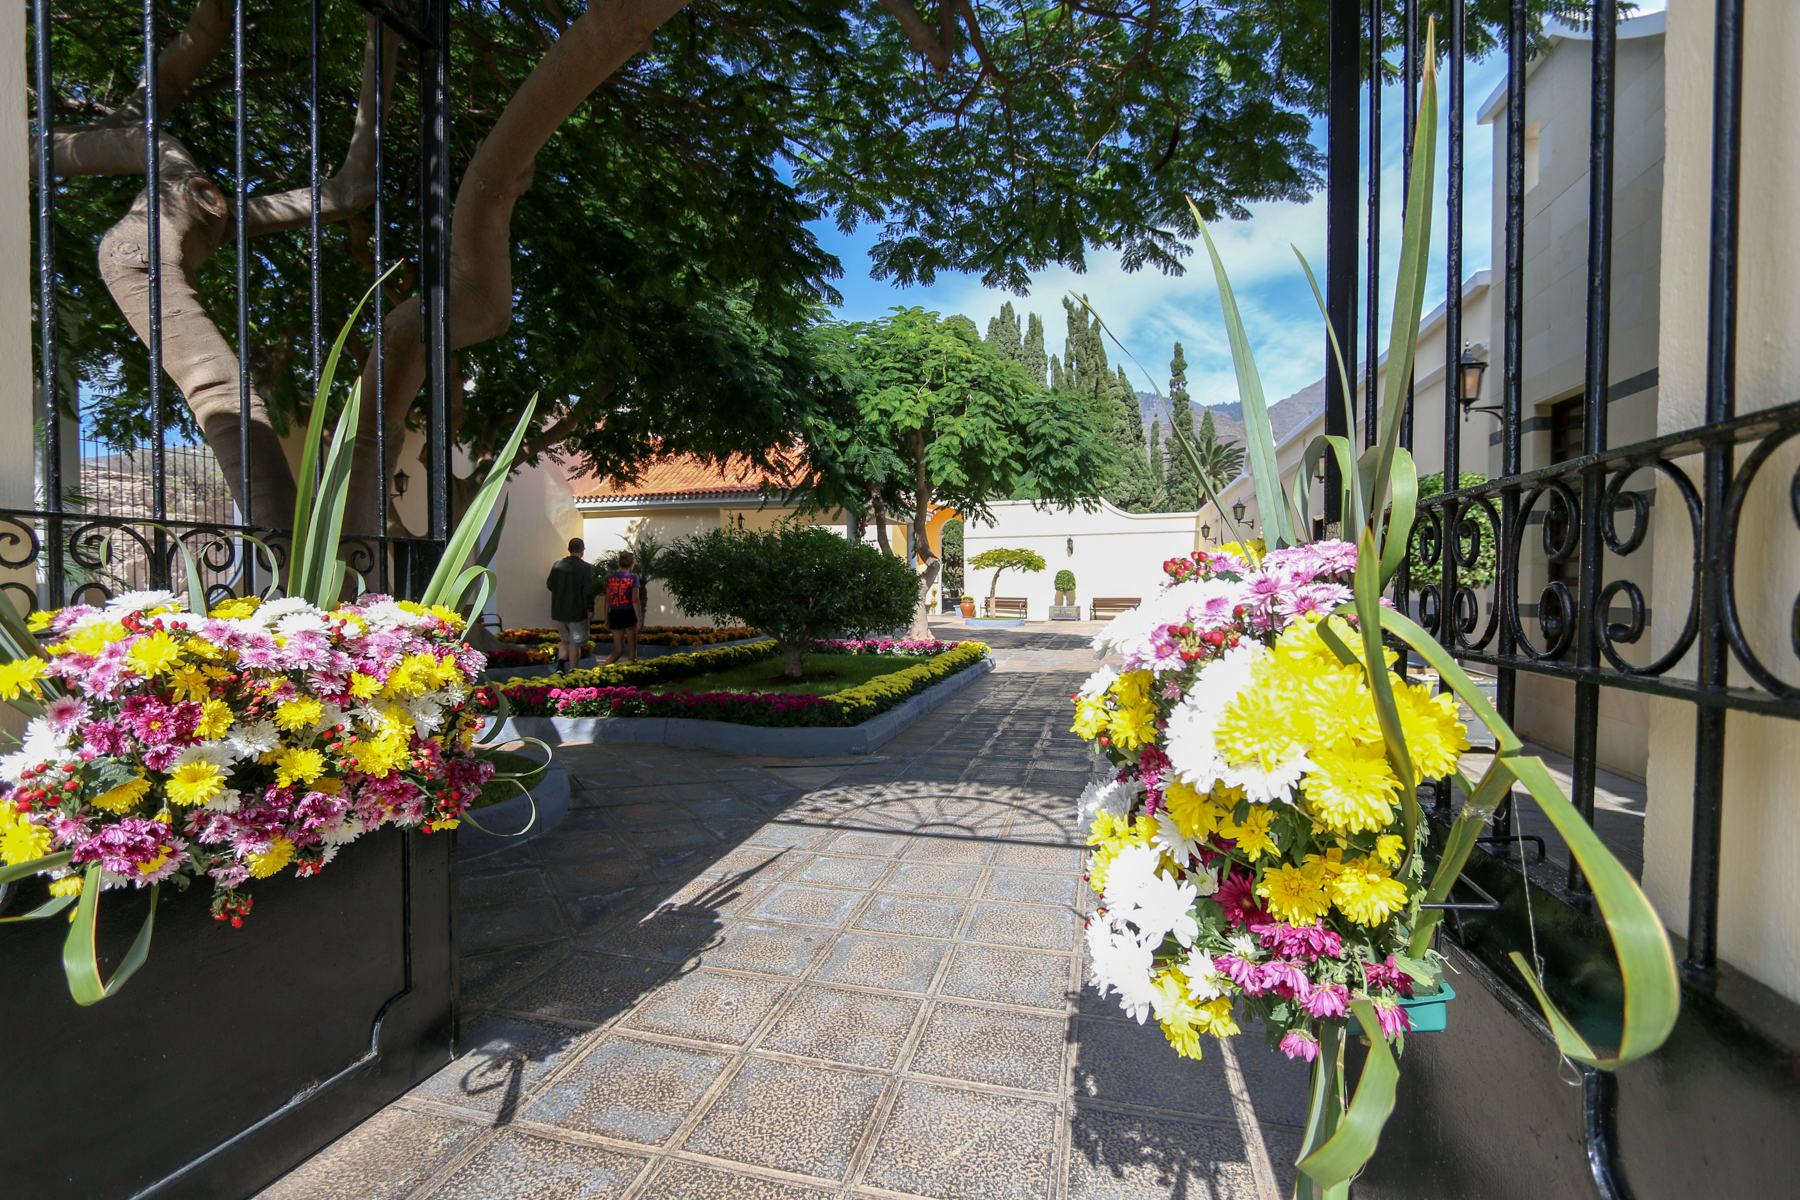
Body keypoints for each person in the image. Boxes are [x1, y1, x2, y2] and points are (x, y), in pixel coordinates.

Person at [545, 537, 596, 673]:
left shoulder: (557, 565)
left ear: (569, 549)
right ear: (581, 550)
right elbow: (588, 589)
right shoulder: (584, 567)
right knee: (575, 644)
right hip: (577, 612)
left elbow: (550, 584)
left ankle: (560, 667)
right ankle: (573, 671)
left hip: (560, 610)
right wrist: (590, 608)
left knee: (564, 641)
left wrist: (561, 593)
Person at [603, 549, 643, 664]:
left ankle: (603, 670)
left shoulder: (610, 578)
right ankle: (630, 672)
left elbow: (607, 601)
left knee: (618, 649)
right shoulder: (633, 578)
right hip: (629, 613)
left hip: (615, 613)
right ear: (632, 563)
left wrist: (606, 619)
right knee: (632, 649)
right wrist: (639, 619)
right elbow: (635, 600)